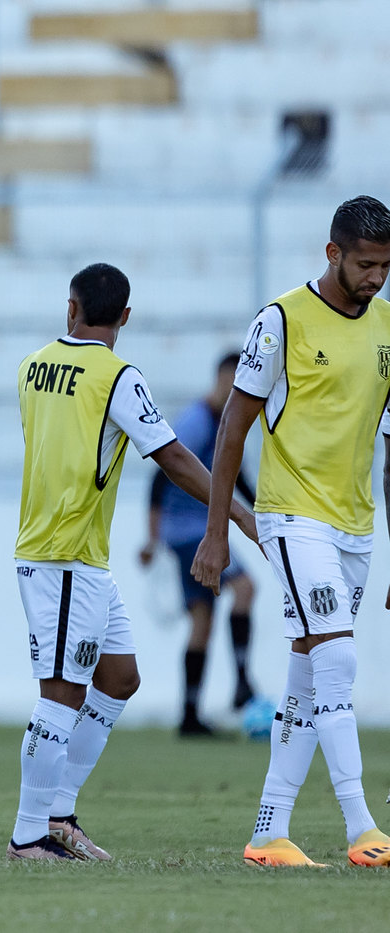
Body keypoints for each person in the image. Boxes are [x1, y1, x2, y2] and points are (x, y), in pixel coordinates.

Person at [9, 264, 258, 862]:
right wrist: (238, 515)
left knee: (120, 677)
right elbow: (171, 455)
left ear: (71, 307)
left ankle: (60, 814)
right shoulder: (118, 376)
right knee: (61, 694)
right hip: (63, 556)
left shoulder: (32, 366)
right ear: (124, 318)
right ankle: (27, 835)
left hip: (75, 556)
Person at [197, 196, 390, 868]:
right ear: (333, 253)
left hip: (356, 527)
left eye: (386, 266)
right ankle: (363, 826)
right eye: (365, 264)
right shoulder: (280, 321)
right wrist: (218, 530)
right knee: (337, 660)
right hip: (291, 517)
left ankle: (268, 831)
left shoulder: (389, 328)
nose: (375, 278)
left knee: (310, 674)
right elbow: (232, 429)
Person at [139, 352, 260, 736]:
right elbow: (162, 474)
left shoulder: (225, 421)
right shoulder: (196, 420)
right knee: (245, 588)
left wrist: (261, 512)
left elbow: (235, 476)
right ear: (222, 378)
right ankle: (241, 682)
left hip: (191, 529)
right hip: (190, 530)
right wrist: (151, 536)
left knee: (201, 620)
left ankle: (189, 714)